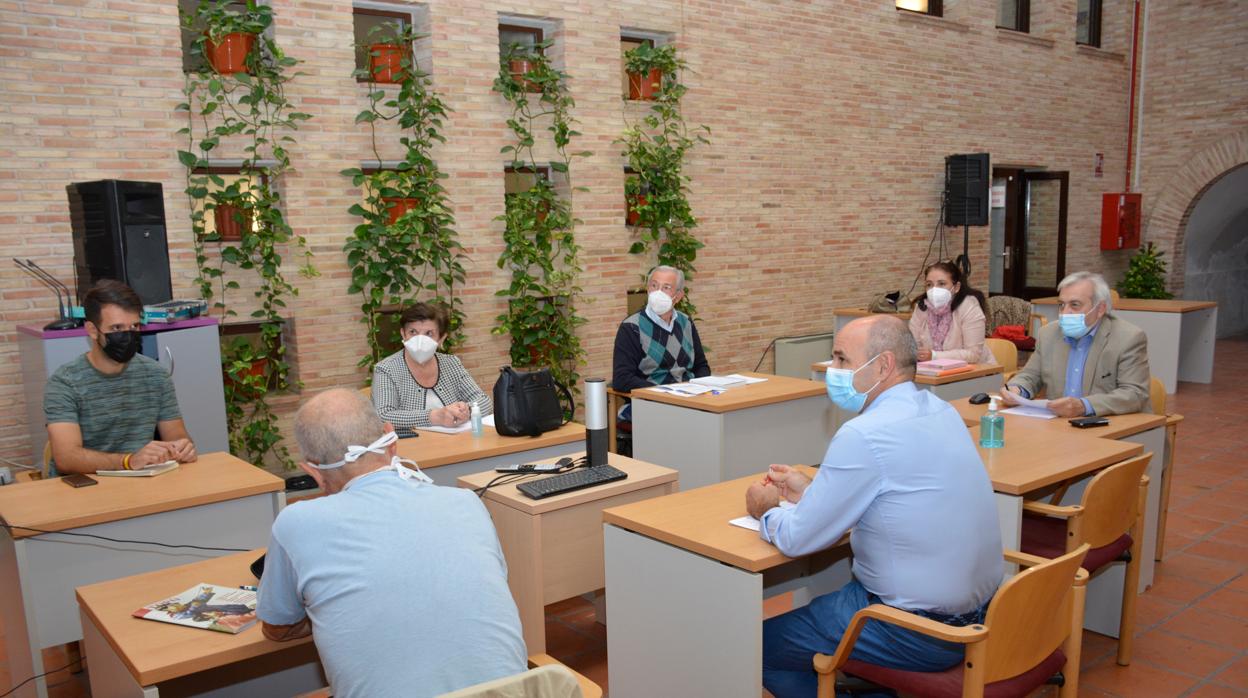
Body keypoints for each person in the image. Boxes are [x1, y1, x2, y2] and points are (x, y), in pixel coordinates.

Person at [745, 315, 1002, 697]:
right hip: (983, 614)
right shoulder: (940, 411)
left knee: (759, 648)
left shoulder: (865, 433)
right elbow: (893, 492)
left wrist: (767, 510)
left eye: (841, 360)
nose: (831, 371)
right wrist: (812, 491)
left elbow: (798, 539)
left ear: (883, 366)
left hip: (918, 630)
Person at [256, 389, 527, 698]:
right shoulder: (466, 502)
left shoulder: (296, 522)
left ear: (314, 471)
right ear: (391, 439)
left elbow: (277, 627)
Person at [43, 279, 196, 475]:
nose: (127, 335)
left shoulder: (156, 375)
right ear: (92, 330)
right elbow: (66, 458)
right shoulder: (65, 382)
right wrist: (128, 461)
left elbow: (177, 436)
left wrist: (183, 449)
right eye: (116, 328)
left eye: (134, 327)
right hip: (85, 487)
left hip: (143, 481)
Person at [1003, 271, 1150, 418]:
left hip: (1112, 426)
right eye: (1061, 305)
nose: (1065, 312)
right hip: (1061, 425)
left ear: (1100, 309)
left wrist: (1084, 406)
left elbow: (1135, 394)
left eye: (1075, 305)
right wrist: (1017, 390)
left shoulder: (1128, 338)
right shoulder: (1049, 333)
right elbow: (1030, 375)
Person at [372, 302, 491, 430]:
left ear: (441, 338)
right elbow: (383, 416)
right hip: (412, 446)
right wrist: (434, 416)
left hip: (456, 444)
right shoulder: (386, 369)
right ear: (403, 334)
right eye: (413, 332)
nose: (420, 340)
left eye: (429, 333)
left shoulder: (451, 363)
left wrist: (466, 410)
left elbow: (484, 401)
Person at [612, 265, 711, 393]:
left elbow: (701, 366)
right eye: (654, 286)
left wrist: (696, 390)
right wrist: (664, 392)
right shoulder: (631, 327)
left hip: (689, 398)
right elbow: (622, 379)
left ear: (679, 295)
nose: (658, 292)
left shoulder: (685, 322)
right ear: (648, 289)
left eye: (666, 287)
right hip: (652, 402)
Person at [908, 261, 995, 365]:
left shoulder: (969, 306)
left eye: (942, 284)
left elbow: (973, 354)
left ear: (956, 287)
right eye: (929, 284)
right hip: (933, 371)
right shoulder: (922, 307)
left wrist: (935, 356)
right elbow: (912, 345)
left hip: (976, 372)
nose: (934, 289)